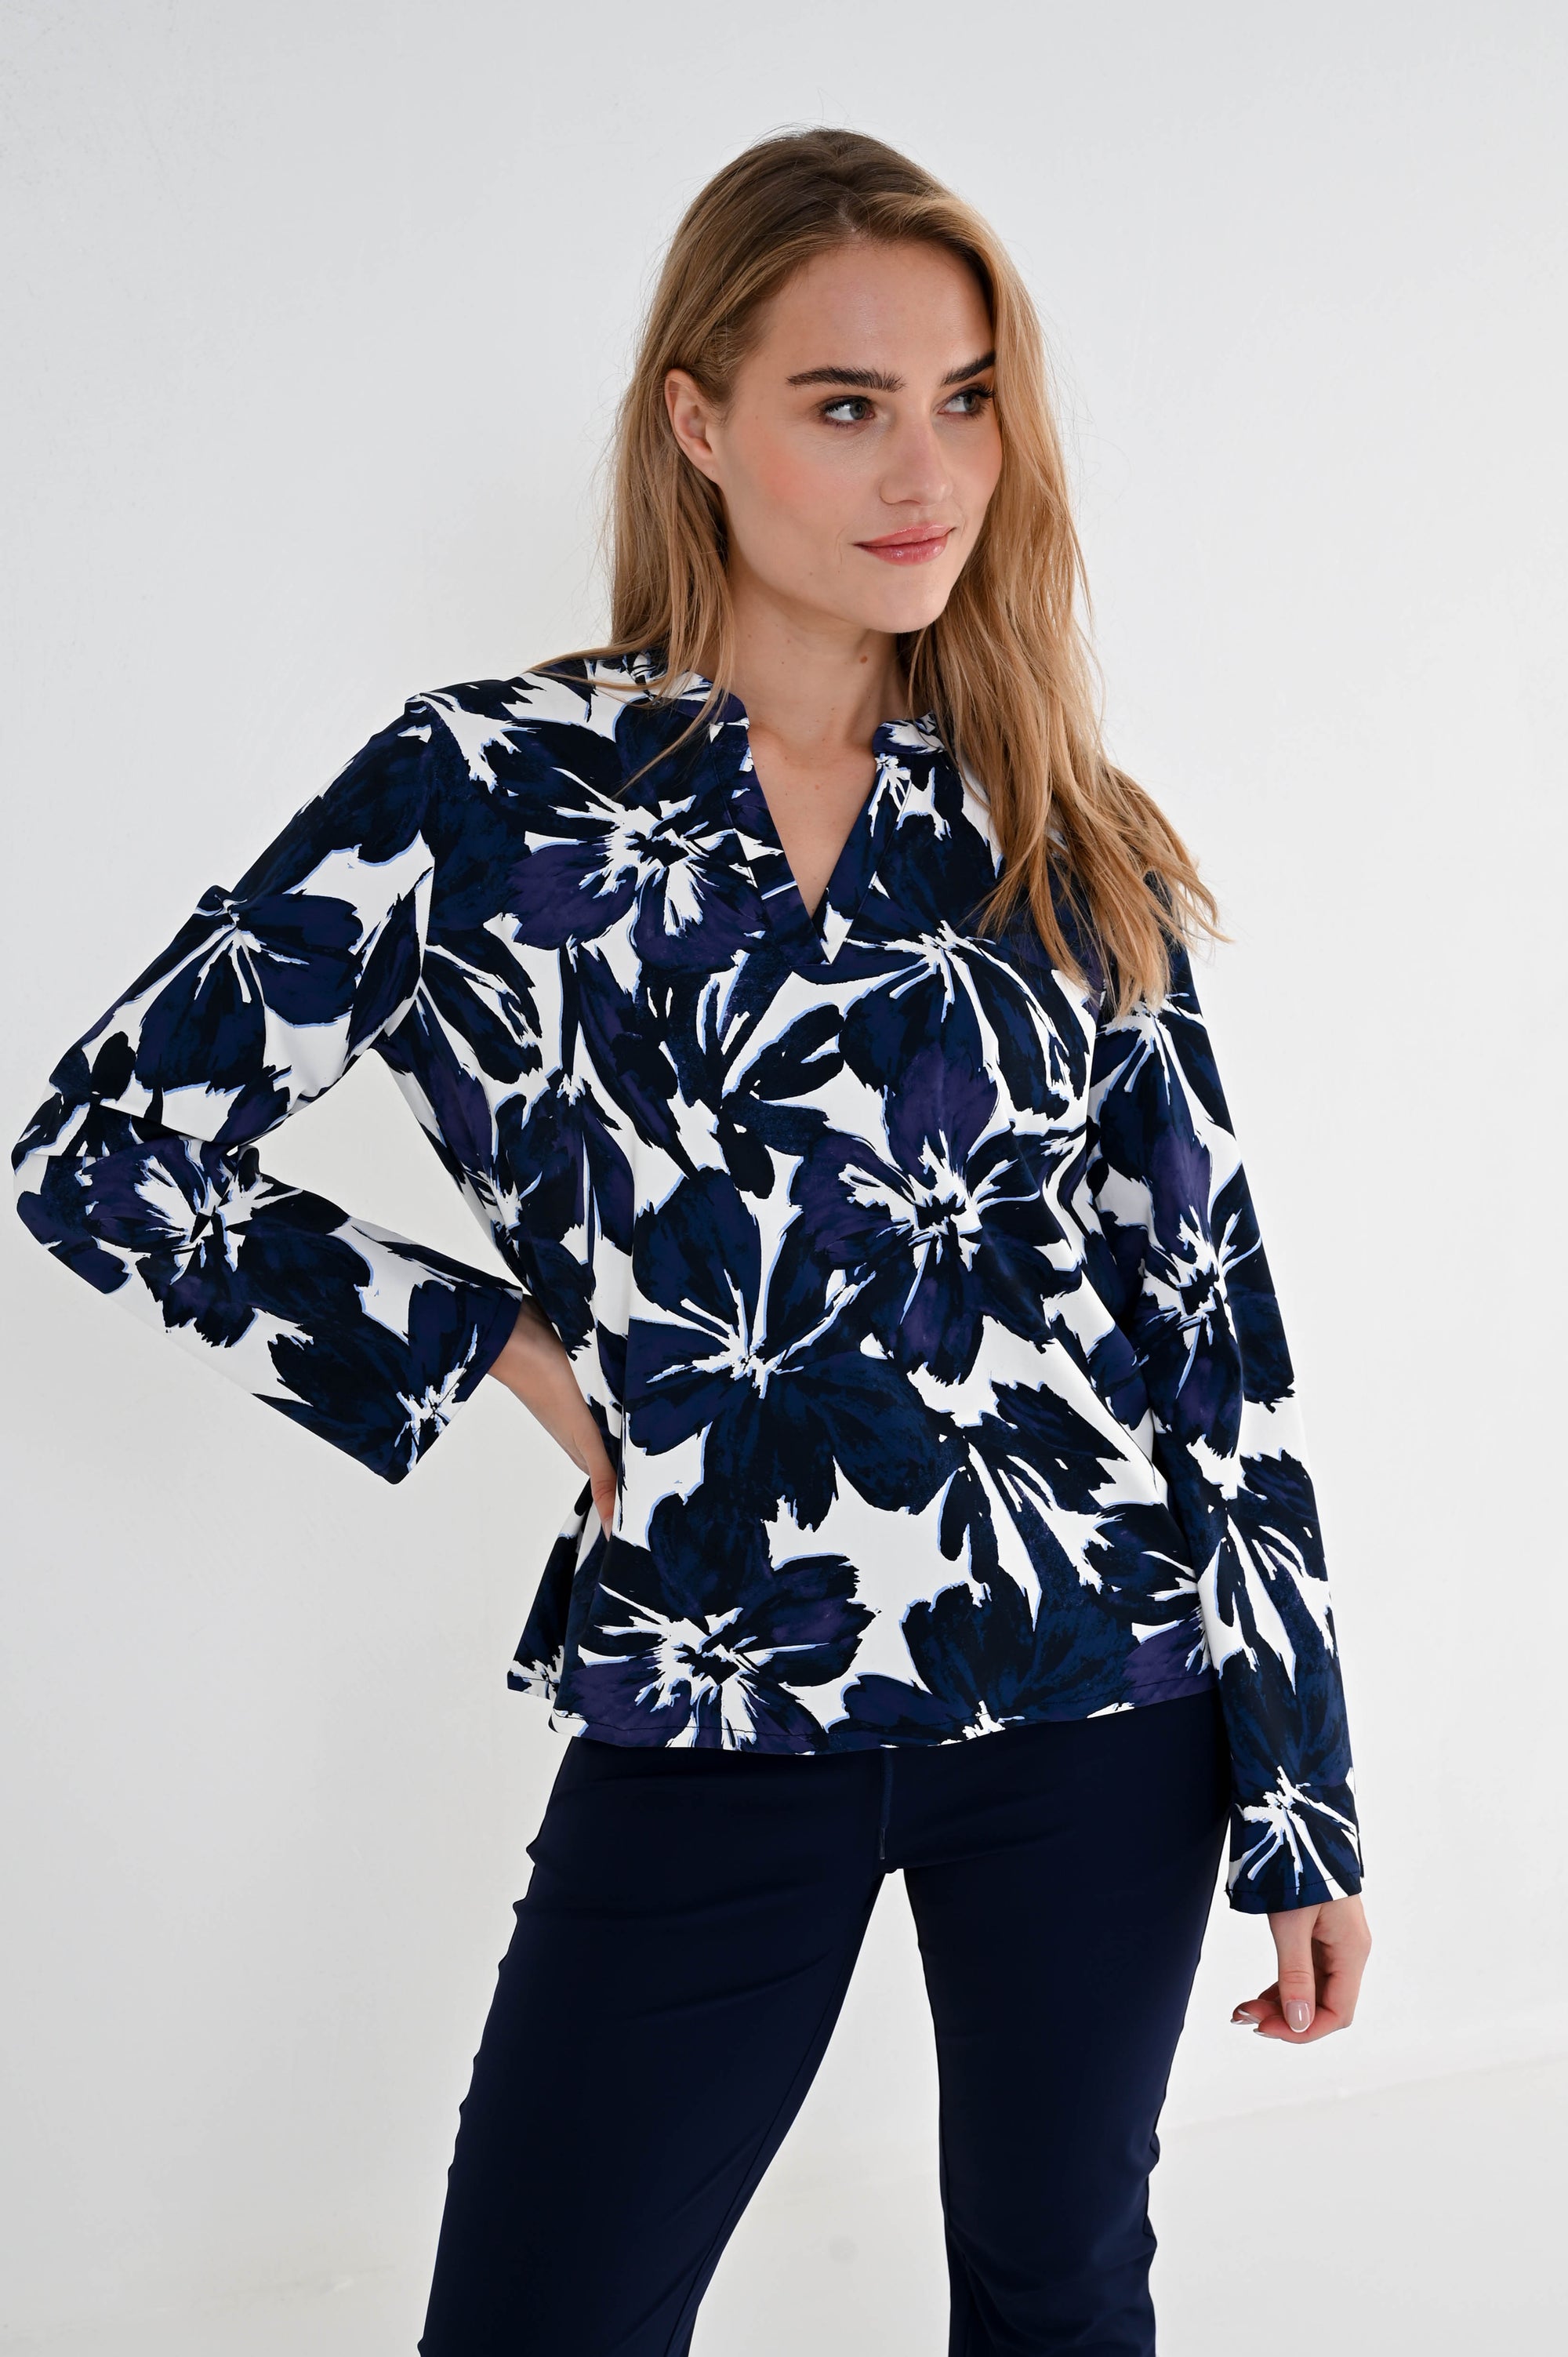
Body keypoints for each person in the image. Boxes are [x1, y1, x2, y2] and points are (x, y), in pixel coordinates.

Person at [13, 126, 1369, 2356]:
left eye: (966, 398)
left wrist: (1303, 1788)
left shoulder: (1057, 822)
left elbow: (1210, 1322)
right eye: (848, 403)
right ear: (700, 421)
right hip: (719, 1681)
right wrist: (499, 1355)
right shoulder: (485, 793)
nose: (925, 469)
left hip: (1103, 1694)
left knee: (1062, 2299)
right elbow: (102, 1152)